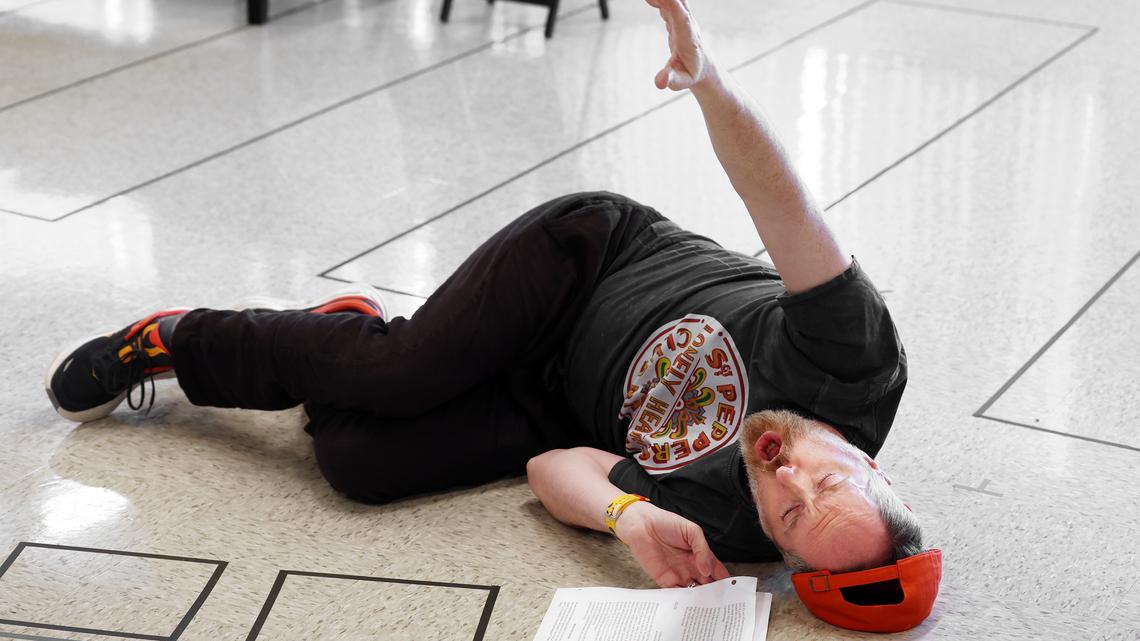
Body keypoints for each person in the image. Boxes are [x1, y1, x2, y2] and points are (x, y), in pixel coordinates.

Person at [45, 0, 924, 596]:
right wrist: (713, 87)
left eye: (792, 515)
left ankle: (339, 336)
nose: (789, 475)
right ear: (874, 465)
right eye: (828, 479)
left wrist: (631, 516)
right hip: (586, 263)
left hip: (554, 403)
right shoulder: (853, 360)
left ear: (776, 544)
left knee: (363, 468)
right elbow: (782, 205)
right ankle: (174, 339)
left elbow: (555, 471)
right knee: (403, 374)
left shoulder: (730, 522)